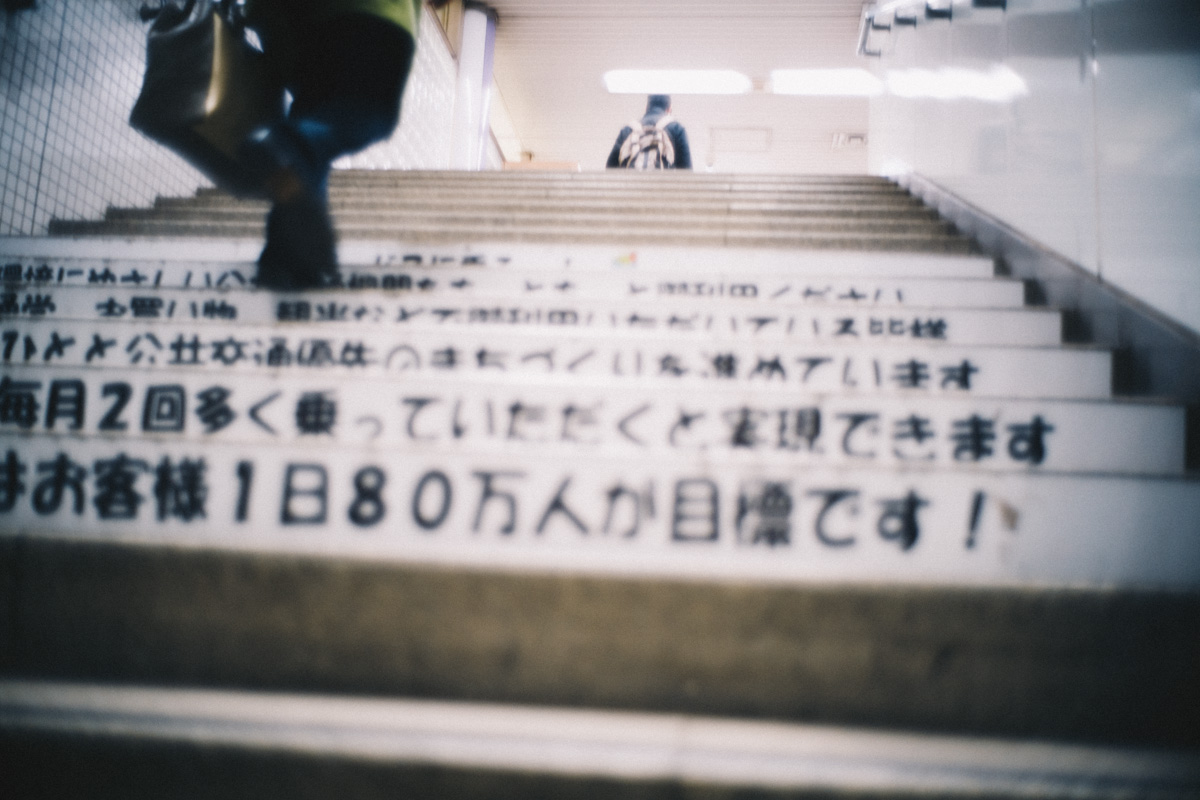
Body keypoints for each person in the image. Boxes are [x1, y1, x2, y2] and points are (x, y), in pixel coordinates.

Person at [240, 0, 448, 290]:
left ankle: (291, 261)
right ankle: (285, 144)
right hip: (372, 12)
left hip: (296, 23)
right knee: (368, 115)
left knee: (314, 130)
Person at [606, 94, 692, 170]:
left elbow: (610, 169)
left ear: (647, 107)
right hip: (662, 186)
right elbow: (686, 172)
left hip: (631, 186)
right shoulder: (677, 128)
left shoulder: (627, 130)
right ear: (669, 109)